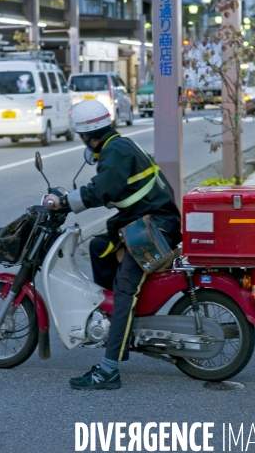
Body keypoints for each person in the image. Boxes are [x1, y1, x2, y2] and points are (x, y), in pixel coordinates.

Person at [43, 100, 182, 390]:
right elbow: (107, 187)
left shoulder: (115, 152)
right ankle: (115, 323)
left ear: (89, 134)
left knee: (124, 291)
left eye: (81, 135)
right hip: (145, 221)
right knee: (98, 248)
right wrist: (72, 198)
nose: (83, 141)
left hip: (154, 227)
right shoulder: (119, 145)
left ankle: (108, 369)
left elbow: (101, 189)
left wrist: (65, 201)